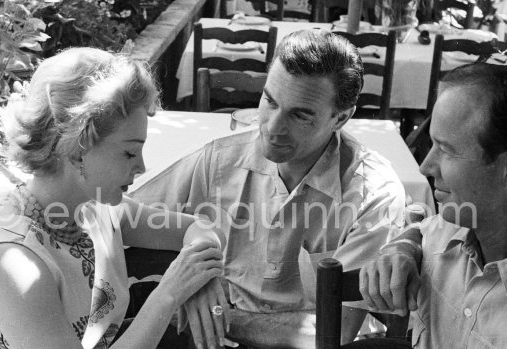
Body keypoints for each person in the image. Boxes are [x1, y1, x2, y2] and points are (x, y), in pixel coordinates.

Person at [130, 30, 406, 348]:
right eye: (270, 101)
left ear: (341, 118)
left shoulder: (375, 196)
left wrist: (221, 317)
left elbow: (336, 331)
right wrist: (195, 275)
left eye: (300, 115)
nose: (273, 128)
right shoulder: (219, 159)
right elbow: (117, 213)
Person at [0, 47, 228, 349]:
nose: (141, 166)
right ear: (77, 148)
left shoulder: (92, 210)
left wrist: (201, 274)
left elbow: (203, 228)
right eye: (128, 151)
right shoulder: (11, 260)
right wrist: (169, 293)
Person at [359, 63, 507, 348]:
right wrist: (402, 249)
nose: (425, 166)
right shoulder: (456, 226)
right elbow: (423, 230)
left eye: (447, 150)